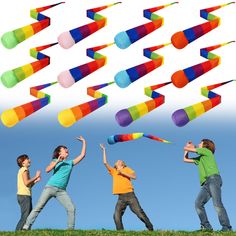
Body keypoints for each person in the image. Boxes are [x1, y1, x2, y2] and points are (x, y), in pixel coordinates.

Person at [23, 136, 86, 230]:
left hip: (61, 191)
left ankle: (70, 230)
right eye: (64, 149)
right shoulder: (55, 161)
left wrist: (84, 142)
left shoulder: (70, 163)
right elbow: (47, 170)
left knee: (71, 208)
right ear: (60, 152)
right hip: (50, 187)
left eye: (66, 149)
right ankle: (26, 226)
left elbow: (82, 155)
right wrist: (57, 161)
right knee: (38, 207)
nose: (67, 149)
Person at [100, 144, 153, 231]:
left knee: (139, 212)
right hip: (121, 197)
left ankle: (150, 228)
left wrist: (123, 173)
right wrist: (104, 150)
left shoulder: (127, 169)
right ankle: (120, 232)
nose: (119, 160)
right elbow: (105, 162)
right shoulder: (114, 171)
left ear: (123, 164)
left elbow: (134, 177)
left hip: (130, 195)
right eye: (117, 161)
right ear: (115, 165)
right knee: (116, 215)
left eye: (120, 160)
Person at [183, 139, 232, 231]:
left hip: (214, 179)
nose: (198, 144)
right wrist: (187, 149)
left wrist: (189, 146)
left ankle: (227, 227)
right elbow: (185, 159)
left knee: (217, 203)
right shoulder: (200, 158)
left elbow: (188, 148)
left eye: (200, 143)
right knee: (198, 203)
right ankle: (206, 227)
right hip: (205, 183)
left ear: (205, 145)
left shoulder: (206, 151)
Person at [16, 154, 41, 231]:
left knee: (29, 216)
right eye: (27, 159)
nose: (29, 160)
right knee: (25, 215)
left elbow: (28, 185)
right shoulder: (24, 170)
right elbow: (26, 183)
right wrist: (36, 177)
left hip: (25, 195)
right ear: (23, 163)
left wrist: (35, 181)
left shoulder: (23, 170)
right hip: (24, 196)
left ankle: (26, 231)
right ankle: (17, 232)